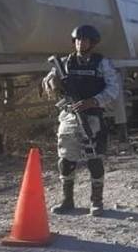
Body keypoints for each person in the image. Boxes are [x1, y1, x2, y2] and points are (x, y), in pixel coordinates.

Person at [42, 24, 121, 215]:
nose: (80, 43)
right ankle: (67, 201)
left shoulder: (102, 63)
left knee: (94, 157)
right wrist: (51, 84)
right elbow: (47, 82)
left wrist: (93, 101)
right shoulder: (65, 63)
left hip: (92, 116)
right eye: (77, 40)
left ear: (92, 43)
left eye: (84, 40)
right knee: (66, 158)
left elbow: (113, 89)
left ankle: (96, 202)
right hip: (69, 115)